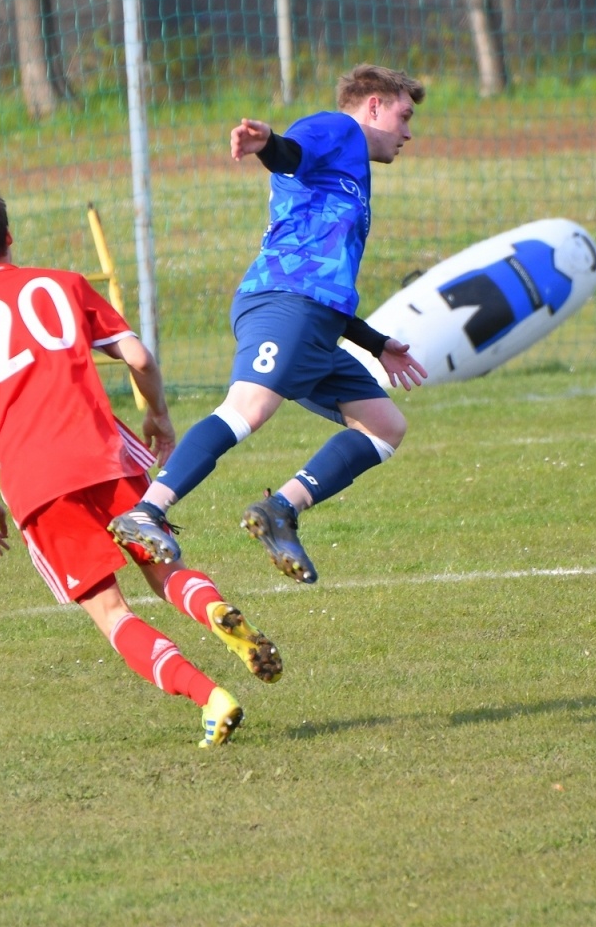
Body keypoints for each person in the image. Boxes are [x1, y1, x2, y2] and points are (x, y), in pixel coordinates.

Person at [0, 184, 281, 747]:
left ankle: (209, 697)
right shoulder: (66, 284)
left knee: (111, 612)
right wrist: (159, 417)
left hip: (36, 480)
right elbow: (137, 356)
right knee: (163, 570)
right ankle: (214, 609)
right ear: (9, 236)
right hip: (107, 455)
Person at [110, 65, 429, 585]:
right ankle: (148, 509)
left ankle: (281, 510)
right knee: (248, 408)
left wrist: (375, 343)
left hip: (316, 321)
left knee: (384, 425)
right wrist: (268, 144)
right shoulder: (338, 128)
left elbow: (324, 278)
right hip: (283, 304)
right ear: (374, 105)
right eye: (404, 115)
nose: (408, 132)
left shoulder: (348, 169)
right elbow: (293, 153)